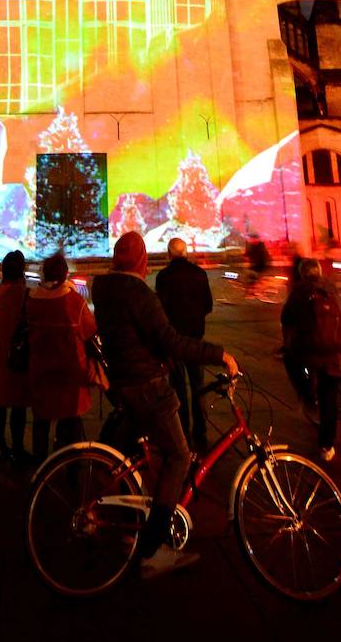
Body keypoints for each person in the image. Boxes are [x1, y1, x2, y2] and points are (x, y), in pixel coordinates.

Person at [92, 231, 239, 579]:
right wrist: (218, 353)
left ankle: (131, 522)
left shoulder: (104, 288)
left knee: (136, 454)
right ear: (142, 261)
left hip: (124, 382)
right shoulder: (140, 294)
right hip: (147, 385)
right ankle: (154, 549)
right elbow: (169, 340)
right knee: (177, 456)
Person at [27, 253, 97, 464]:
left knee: (41, 420)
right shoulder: (73, 301)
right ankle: (71, 466)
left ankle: (40, 466)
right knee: (71, 422)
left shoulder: (32, 300)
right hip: (69, 372)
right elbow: (90, 330)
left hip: (40, 369)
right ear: (65, 273)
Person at [280, 257, 341, 461]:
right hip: (335, 350)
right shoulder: (332, 289)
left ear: (302, 273)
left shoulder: (298, 291)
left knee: (290, 361)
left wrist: (287, 344)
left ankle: (307, 396)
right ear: (319, 272)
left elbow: (286, 319)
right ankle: (327, 446)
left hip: (310, 350)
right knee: (330, 397)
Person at [155, 237, 214, 450]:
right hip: (195, 339)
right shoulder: (200, 274)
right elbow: (208, 305)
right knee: (198, 386)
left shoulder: (164, 277)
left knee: (178, 388)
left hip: (175, 340)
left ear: (169, 254)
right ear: (186, 252)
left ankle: (184, 436)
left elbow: (160, 309)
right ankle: (202, 434)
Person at [0, 250, 32, 467]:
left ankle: (0, 445)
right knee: (18, 405)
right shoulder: (25, 294)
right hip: (19, 357)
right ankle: (18, 448)